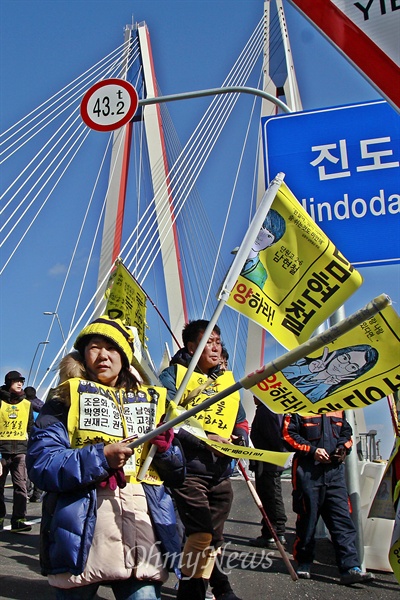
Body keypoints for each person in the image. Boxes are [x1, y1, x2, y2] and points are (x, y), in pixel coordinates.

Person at [27, 315, 185, 600]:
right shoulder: (62, 402)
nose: (103, 355)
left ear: (125, 357)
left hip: (141, 538)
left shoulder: (151, 404)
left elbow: (177, 474)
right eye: (94, 347)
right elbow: (42, 465)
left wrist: (167, 451)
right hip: (80, 537)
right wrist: (101, 458)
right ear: (83, 355)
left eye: (112, 348)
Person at [159, 319, 248, 600]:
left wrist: (238, 440)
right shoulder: (173, 376)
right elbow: (168, 420)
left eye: (218, 342)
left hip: (221, 472)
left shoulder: (226, 380)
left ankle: (213, 587)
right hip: (188, 470)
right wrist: (207, 439)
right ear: (191, 346)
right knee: (201, 534)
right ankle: (198, 591)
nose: (214, 347)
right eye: (207, 342)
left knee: (213, 539)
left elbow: (241, 420)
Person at [282, 410, 375, 585]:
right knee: (307, 520)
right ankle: (304, 562)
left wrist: (342, 448)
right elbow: (288, 435)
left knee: (342, 521)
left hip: (335, 474)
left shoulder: (339, 407)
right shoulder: (298, 406)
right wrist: (312, 450)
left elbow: (347, 433)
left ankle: (350, 568)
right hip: (308, 472)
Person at [249, 398, 287, 548]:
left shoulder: (267, 410)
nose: (253, 398)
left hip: (268, 461)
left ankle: (275, 533)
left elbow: (274, 437)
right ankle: (271, 532)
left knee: (270, 496)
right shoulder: (271, 409)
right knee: (269, 496)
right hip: (268, 460)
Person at [281, 345, 378, 403]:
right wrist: (307, 369)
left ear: (355, 373)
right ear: (338, 354)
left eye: (352, 367)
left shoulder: (329, 393)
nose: (342, 366)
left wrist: (325, 386)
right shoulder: (302, 361)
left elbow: (307, 404)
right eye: (345, 358)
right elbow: (276, 375)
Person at [0, 370, 33, 532]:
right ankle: (0, 516)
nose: (20, 383)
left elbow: (31, 429)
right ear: (8, 383)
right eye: (16, 381)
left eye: (22, 381)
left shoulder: (27, 404)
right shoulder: (0, 402)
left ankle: (18, 519)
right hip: (2, 451)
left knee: (21, 486)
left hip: (20, 450)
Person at [241, 208, 286, 290]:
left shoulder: (261, 273)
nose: (261, 237)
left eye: (268, 236)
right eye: (260, 229)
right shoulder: (230, 250)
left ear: (272, 243)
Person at [24, 386, 44, 502]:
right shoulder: (42, 405)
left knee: (27, 466)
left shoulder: (26, 406)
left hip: (28, 438)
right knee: (39, 464)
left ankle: (26, 491)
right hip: (41, 439)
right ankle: (37, 494)